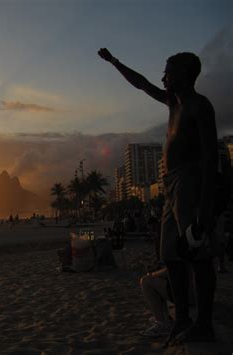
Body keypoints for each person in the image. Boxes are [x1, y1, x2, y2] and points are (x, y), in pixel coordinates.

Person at [99, 48, 218, 345]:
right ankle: (181, 320)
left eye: (168, 71)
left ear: (183, 75)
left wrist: (205, 209)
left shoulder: (198, 106)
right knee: (169, 253)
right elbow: (141, 83)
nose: (163, 77)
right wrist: (115, 62)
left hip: (190, 180)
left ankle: (204, 324)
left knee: (198, 254)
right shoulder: (172, 103)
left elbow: (210, 158)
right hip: (170, 186)